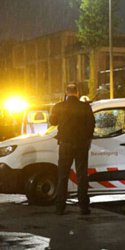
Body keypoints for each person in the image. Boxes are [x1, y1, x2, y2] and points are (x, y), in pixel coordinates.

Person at [49, 84, 95, 216]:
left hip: (65, 145)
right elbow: (91, 125)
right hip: (81, 145)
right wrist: (86, 139)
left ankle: (60, 207)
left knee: (63, 176)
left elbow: (53, 122)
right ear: (78, 93)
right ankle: (83, 207)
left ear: (66, 93)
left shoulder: (59, 106)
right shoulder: (85, 106)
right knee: (82, 175)